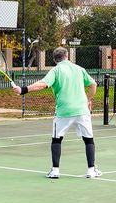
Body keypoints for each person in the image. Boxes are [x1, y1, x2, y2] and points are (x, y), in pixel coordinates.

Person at [13, 47, 100, 179]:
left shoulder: (56, 70)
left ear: (54, 59)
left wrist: (23, 90)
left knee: (56, 139)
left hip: (63, 111)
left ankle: (55, 171)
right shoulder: (79, 69)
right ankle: (91, 170)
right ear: (67, 56)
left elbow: (42, 84)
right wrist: (87, 100)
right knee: (89, 140)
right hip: (82, 111)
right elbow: (93, 85)